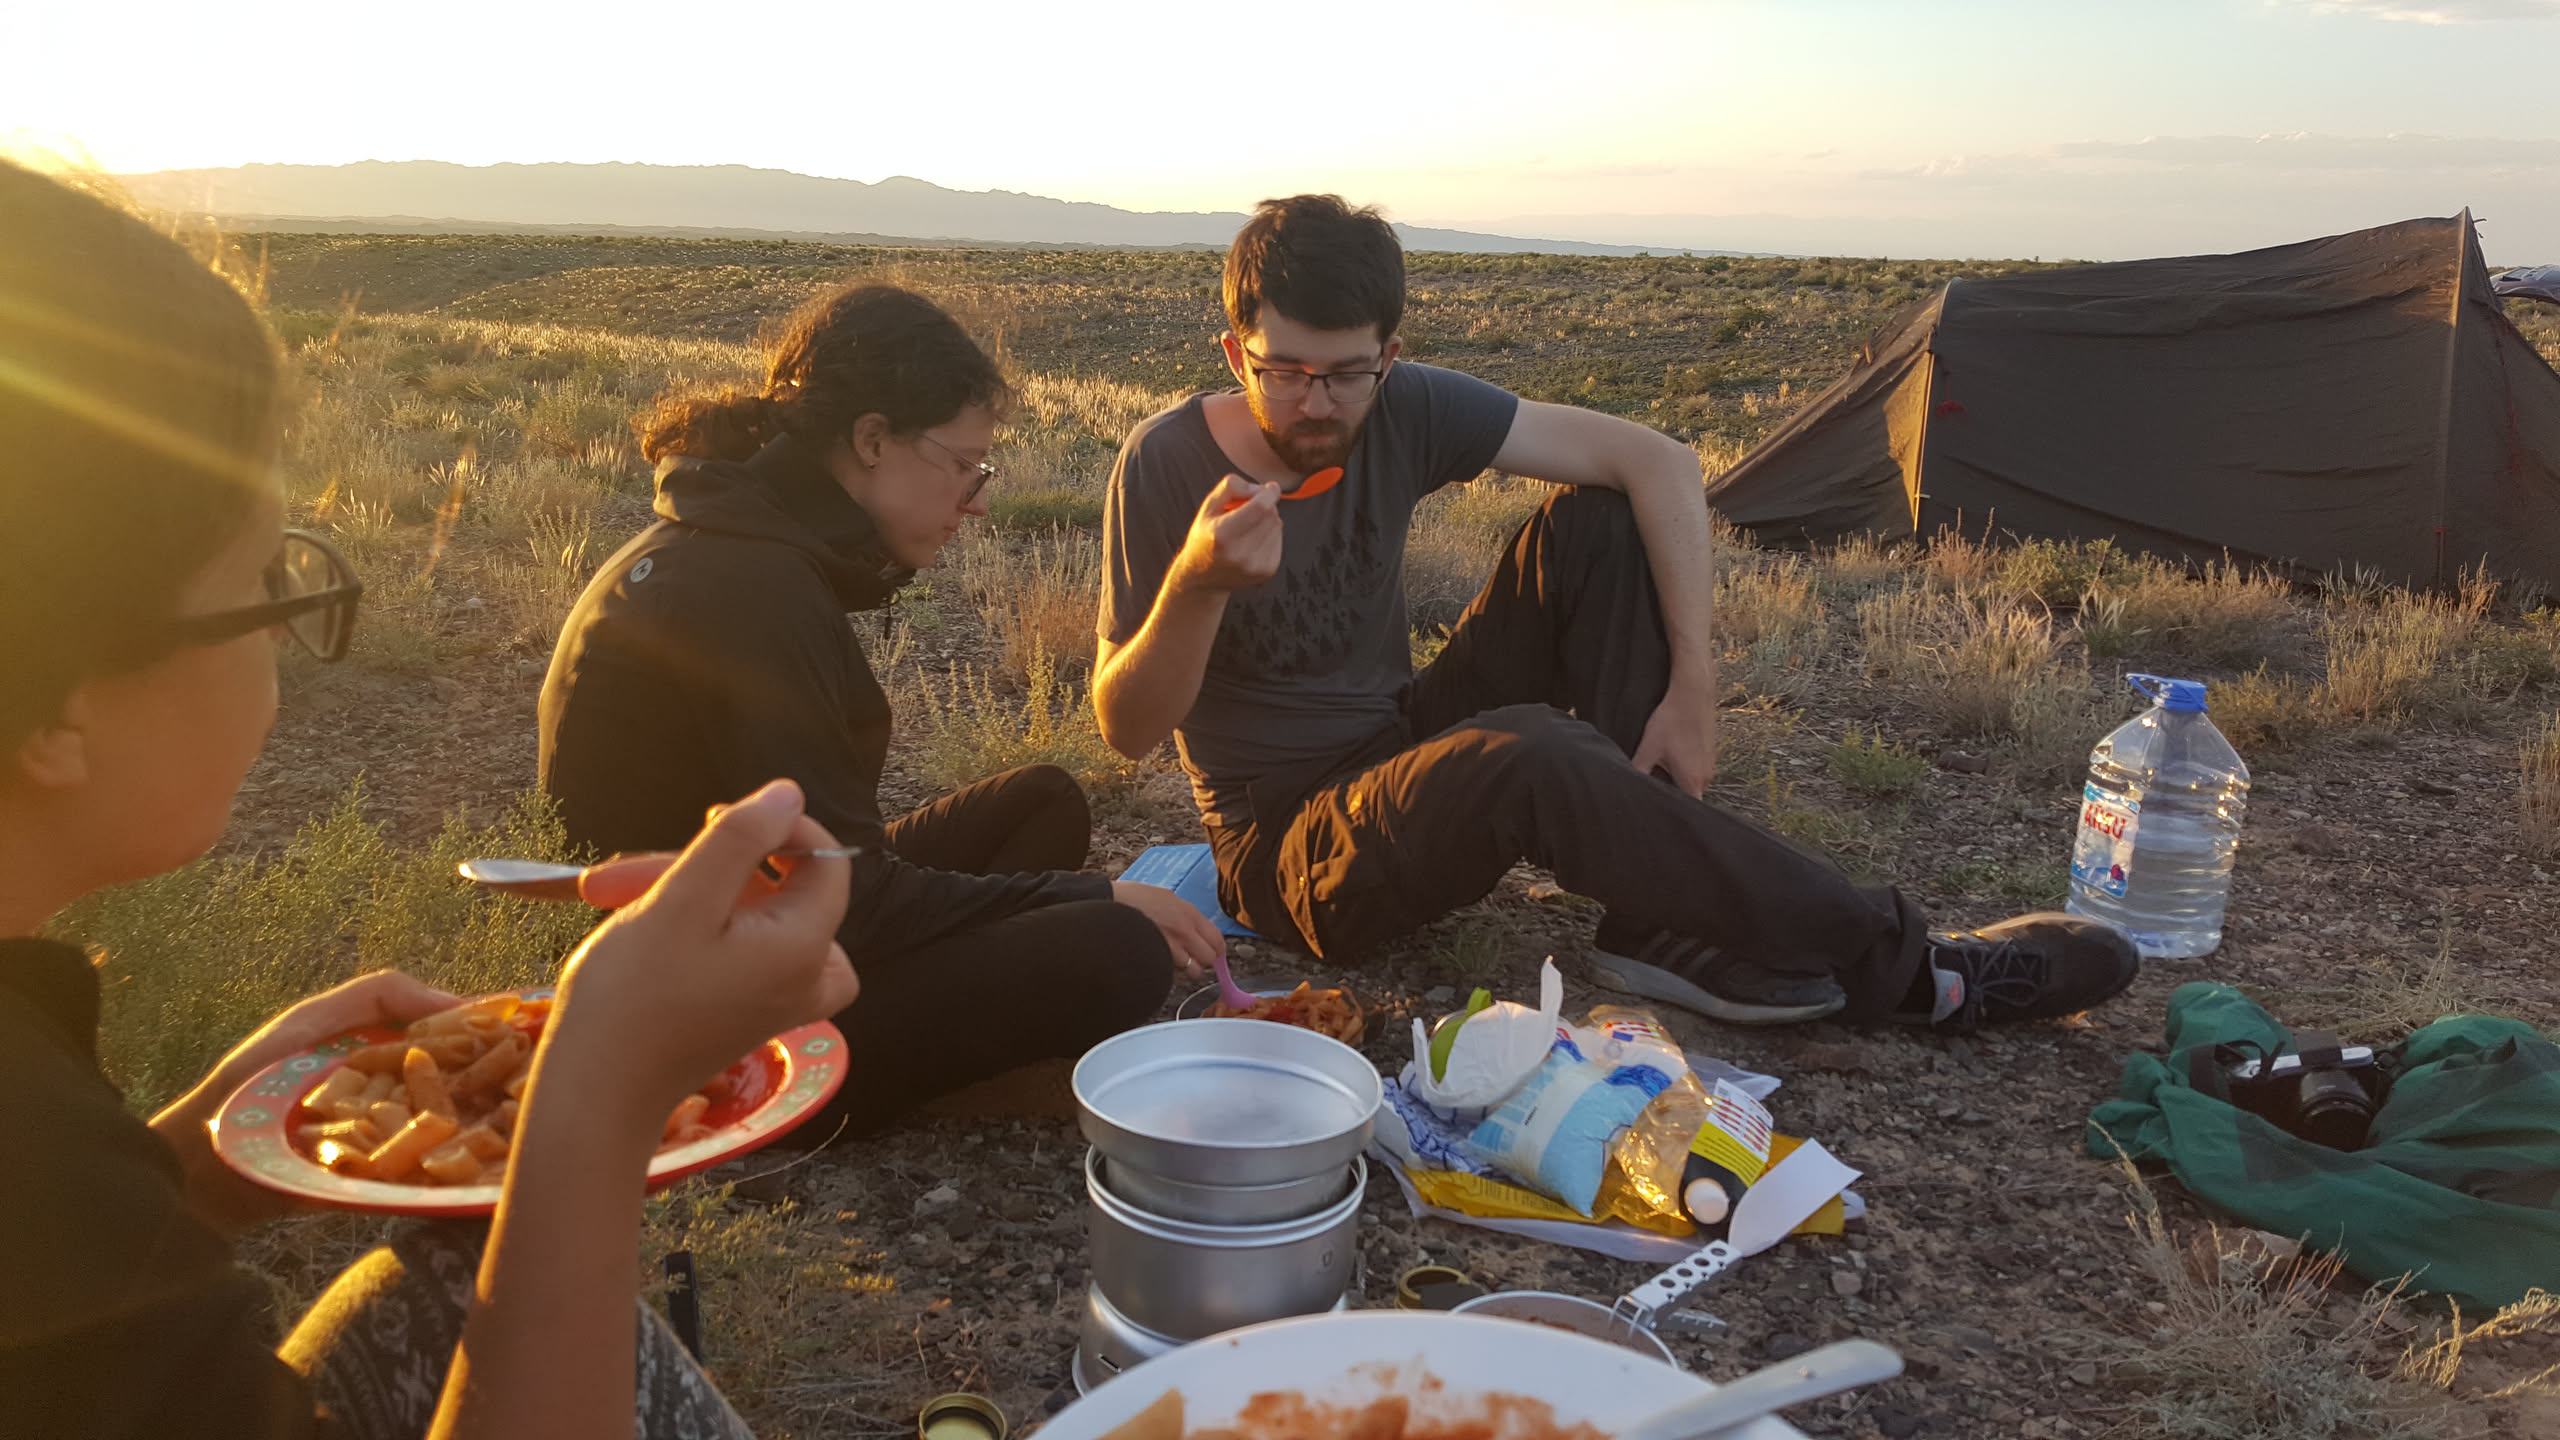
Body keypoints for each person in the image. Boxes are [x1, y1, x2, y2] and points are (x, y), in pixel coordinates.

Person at [0, 162, 851, 1437]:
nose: (283, 638)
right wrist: (593, 1105)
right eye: (265, 584)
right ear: (60, 712)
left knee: (458, 1288)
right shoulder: (30, 1151)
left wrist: (186, 1174)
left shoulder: (43, 1142)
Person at [1094, 194, 2139, 1029]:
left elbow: (1659, 461)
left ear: (1390, 357)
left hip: (1397, 746)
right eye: (1285, 374)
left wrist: (1694, 683)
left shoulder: (1401, 407)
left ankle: (1654, 927)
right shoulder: (1167, 463)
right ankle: (1913, 973)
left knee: (1597, 518)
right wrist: (1197, 582)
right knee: (1531, 753)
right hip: (1292, 853)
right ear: (1235, 353)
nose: (1318, 404)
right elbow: (1127, 728)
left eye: (1347, 376)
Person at [539, 284, 1220, 1132]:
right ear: (871, 440)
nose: (976, 500)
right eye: (964, 466)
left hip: (760, 915)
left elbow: (833, 872)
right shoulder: (749, 590)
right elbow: (854, 902)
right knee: (1120, 948)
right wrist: (1094, 897)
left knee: (1042, 800)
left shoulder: (739, 547)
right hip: (705, 1017)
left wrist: (1065, 897)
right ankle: (827, 1102)